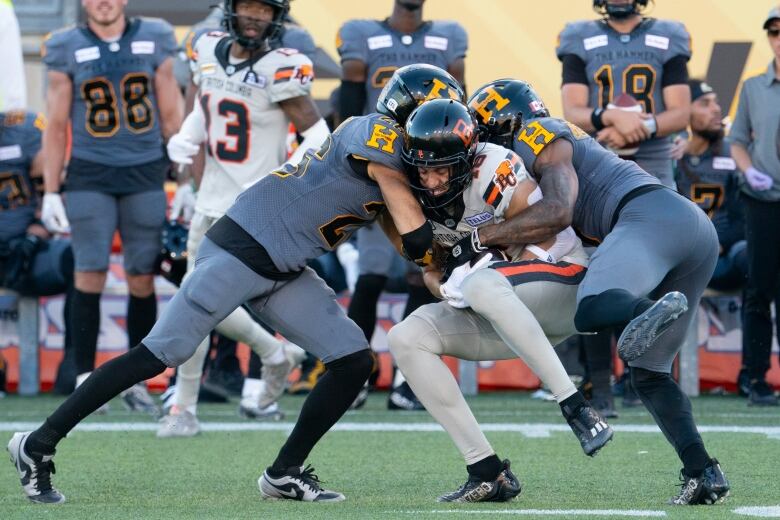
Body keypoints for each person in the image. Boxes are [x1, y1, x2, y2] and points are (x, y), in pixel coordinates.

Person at [7, 102, 435, 503]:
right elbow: (415, 230)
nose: (431, 152)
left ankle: (284, 472)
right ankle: (37, 444)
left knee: (354, 360)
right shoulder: (374, 134)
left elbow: (411, 246)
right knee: (159, 354)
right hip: (240, 250)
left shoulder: (390, 174)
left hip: (284, 269)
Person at [469, 79, 730, 505]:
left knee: (590, 308)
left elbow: (557, 211)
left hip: (648, 217)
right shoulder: (556, 138)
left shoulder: (537, 134)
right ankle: (702, 471)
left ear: (499, 124)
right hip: (687, 230)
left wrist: (486, 236)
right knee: (649, 374)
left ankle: (646, 309)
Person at [384, 98, 613, 503]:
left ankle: (575, 404)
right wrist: (448, 287)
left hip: (559, 282)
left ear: (464, 160)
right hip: (499, 306)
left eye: (440, 169)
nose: (431, 180)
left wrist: (493, 272)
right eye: (422, 168)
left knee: (482, 285)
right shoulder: (412, 190)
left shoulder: (491, 166)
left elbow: (552, 234)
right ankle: (486, 471)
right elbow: (431, 272)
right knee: (406, 336)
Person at [157, 0, 325, 437]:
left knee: (195, 304)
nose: (254, 16)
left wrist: (284, 181)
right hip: (209, 201)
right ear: (230, 9)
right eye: (247, 5)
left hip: (252, 211)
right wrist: (188, 138)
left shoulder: (280, 67)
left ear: (277, 17)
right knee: (194, 303)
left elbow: (319, 137)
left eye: (264, 9)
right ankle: (268, 355)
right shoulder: (207, 49)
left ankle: (186, 407)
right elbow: (205, 108)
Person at [39, 0, 182, 414]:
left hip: (144, 172)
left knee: (141, 277)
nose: (103, 2)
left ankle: (136, 380)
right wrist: (51, 189)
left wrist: (186, 179)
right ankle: (84, 377)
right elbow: (57, 123)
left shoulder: (154, 36)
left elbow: (172, 116)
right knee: (89, 272)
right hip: (89, 174)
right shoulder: (65, 44)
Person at [337, 0, 467, 408]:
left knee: (426, 268)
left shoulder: (449, 35)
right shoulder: (361, 33)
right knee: (372, 273)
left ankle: (409, 382)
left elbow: (458, 106)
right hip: (381, 165)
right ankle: (354, 373)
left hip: (432, 169)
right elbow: (349, 103)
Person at [558, 0, 691, 188]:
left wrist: (635, 128)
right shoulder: (578, 36)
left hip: (654, 158)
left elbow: (680, 114)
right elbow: (573, 112)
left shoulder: (669, 35)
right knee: (597, 214)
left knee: (661, 212)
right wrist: (612, 116)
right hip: (598, 155)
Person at [727, 6, 780, 407]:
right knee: (759, 287)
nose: (779, 38)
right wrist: (749, 172)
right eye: (774, 32)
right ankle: (755, 377)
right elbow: (738, 141)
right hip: (762, 200)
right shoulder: (753, 87)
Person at [0, 110, 74, 389]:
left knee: (77, 262)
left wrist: (37, 231)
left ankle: (74, 367)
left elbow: (57, 187)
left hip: (26, 252)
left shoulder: (26, 129)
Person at [676, 80, 746, 293]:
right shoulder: (667, 157)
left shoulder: (733, 153)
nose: (716, 109)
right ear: (683, 112)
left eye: (715, 102)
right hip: (681, 259)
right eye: (705, 103)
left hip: (725, 256)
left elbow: (746, 217)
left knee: (752, 253)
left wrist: (720, 244)